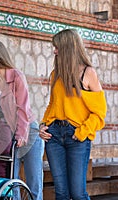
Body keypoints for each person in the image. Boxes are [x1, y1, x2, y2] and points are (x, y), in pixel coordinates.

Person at [39, 29, 107, 200]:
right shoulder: (56, 74)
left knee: (78, 194)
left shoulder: (88, 73)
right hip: (54, 136)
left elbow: (99, 113)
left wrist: (82, 132)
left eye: (57, 47)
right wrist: (43, 125)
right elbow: (52, 105)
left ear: (68, 47)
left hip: (77, 136)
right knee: (61, 193)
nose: (54, 51)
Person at [0, 40, 44, 200]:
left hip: (29, 133)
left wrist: (21, 134)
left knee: (33, 182)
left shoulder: (16, 76)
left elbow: (22, 107)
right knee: (10, 182)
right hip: (9, 136)